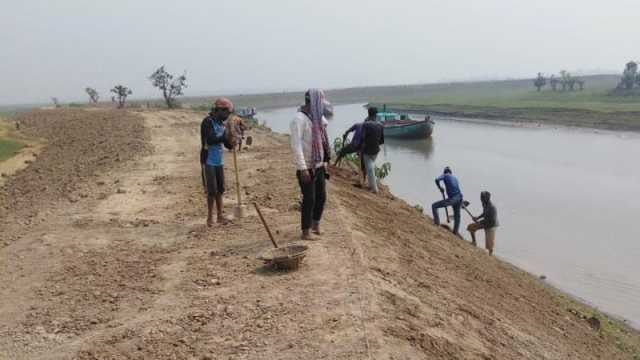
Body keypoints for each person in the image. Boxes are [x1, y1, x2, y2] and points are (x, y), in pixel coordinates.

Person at [290, 89, 332, 240]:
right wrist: (302, 169)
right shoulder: (298, 119)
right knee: (309, 199)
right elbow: (296, 146)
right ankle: (305, 231)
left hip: (319, 164)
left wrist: (324, 162)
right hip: (307, 166)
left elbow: (323, 131)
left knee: (321, 197)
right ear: (313, 102)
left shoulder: (316, 118)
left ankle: (316, 223)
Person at [200, 98, 234, 227]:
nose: (227, 116)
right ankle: (210, 218)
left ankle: (220, 216)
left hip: (219, 160)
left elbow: (226, 144)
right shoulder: (207, 122)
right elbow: (210, 139)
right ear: (220, 110)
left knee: (220, 189)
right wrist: (226, 136)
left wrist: (232, 142)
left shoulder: (221, 124)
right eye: (226, 113)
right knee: (211, 190)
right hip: (208, 160)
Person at [432, 166, 463, 235]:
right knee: (457, 216)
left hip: (453, 199)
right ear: (451, 172)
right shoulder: (455, 178)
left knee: (434, 206)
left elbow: (436, 180)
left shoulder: (445, 175)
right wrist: (461, 201)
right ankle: (455, 232)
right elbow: (458, 190)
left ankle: (436, 223)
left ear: (445, 172)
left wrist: (440, 188)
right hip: (459, 197)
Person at [360, 108, 384, 193]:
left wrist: (360, 148)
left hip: (367, 150)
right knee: (370, 168)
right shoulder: (381, 125)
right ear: (376, 115)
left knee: (370, 169)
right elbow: (382, 141)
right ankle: (371, 185)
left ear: (368, 114)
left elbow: (362, 138)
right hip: (376, 151)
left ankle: (374, 189)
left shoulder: (365, 124)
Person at [466, 191, 499, 255]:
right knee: (470, 227)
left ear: (487, 198)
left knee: (489, 244)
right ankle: (474, 242)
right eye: (481, 197)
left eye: (483, 198)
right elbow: (484, 213)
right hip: (485, 222)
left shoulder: (492, 207)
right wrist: (477, 218)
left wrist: (480, 222)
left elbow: (491, 220)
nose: (481, 199)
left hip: (492, 225)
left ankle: (490, 254)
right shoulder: (484, 204)